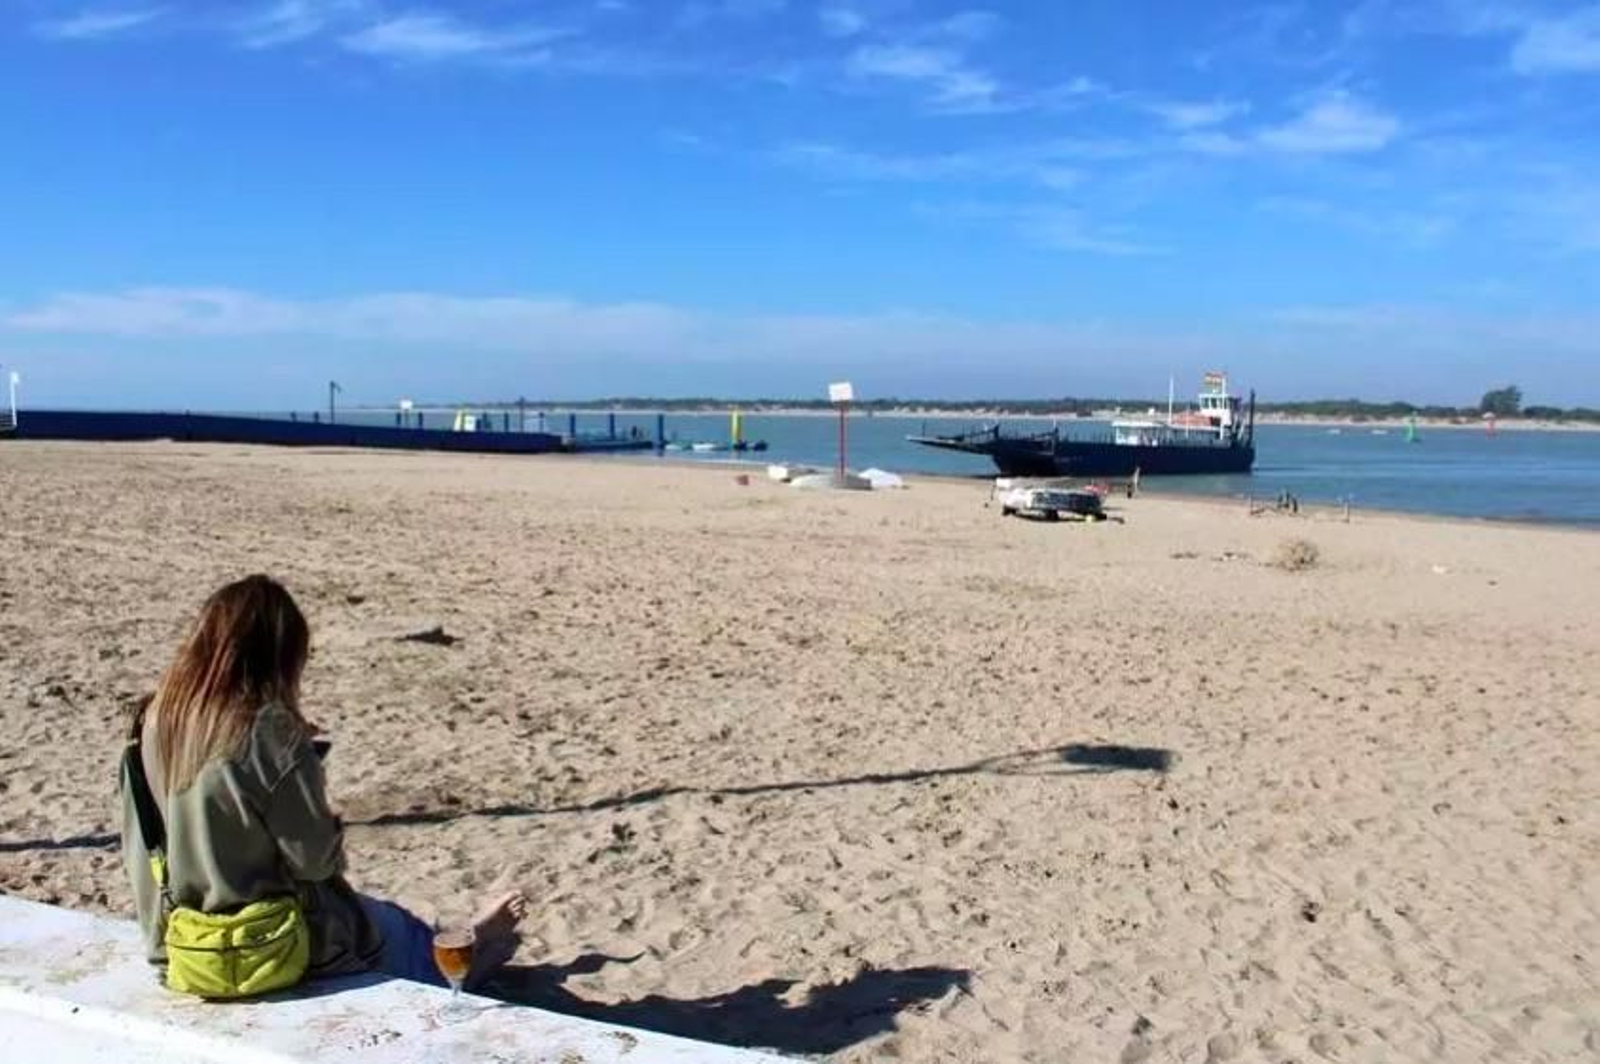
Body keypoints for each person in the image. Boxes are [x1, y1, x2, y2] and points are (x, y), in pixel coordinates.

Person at [120, 574, 526, 990]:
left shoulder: (148, 722)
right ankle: (470, 958)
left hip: (178, 947)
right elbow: (314, 862)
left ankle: (460, 942)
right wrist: (309, 779)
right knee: (394, 927)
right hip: (272, 947)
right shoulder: (267, 730)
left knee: (381, 917)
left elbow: (138, 846)